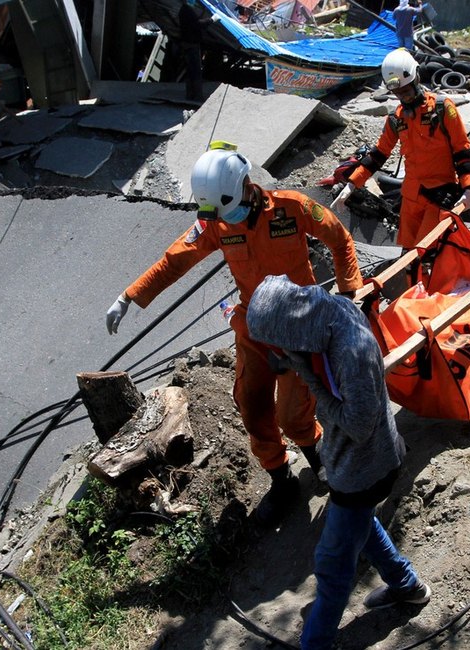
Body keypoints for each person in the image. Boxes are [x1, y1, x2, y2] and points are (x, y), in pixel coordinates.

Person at [105, 143, 363, 524]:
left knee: (292, 415)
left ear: (245, 184)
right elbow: (175, 260)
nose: (233, 220)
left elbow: (339, 238)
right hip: (255, 326)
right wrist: (129, 296)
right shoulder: (217, 222)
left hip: (299, 325)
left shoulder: (292, 208)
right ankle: (281, 479)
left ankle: (316, 454)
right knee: (252, 404)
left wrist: (348, 292)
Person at [246, 274, 430, 650]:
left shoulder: (350, 350)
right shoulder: (323, 316)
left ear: (291, 328)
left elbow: (359, 426)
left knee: (331, 567)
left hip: (366, 467)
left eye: (276, 342)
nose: (276, 351)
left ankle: (316, 644)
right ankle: (408, 587)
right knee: (362, 525)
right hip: (356, 462)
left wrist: (309, 380)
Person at [332, 49, 470, 261]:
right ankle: (412, 291)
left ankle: (430, 292)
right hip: (411, 198)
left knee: (425, 255)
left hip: (439, 194)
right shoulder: (396, 119)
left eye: (406, 91)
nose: (403, 96)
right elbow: (378, 155)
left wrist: (469, 188)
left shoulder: (442, 109)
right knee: (407, 256)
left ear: (416, 78)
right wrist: (352, 184)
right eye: (398, 93)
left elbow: (462, 149)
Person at [177, 0, 221, 102]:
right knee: (195, 71)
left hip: (187, 43)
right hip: (191, 44)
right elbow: (197, 24)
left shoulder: (184, 10)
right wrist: (211, 20)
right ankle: (197, 97)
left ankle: (190, 95)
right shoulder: (187, 10)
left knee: (191, 71)